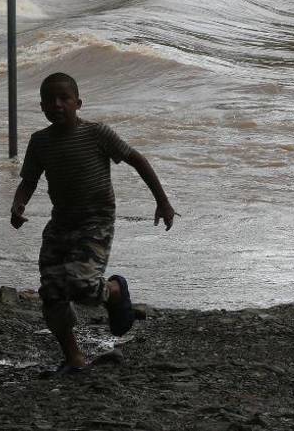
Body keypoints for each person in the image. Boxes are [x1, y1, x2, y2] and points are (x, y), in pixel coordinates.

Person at [10, 72, 176, 374]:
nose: (57, 104)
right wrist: (18, 203)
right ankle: (74, 358)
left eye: (64, 98)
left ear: (78, 103)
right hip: (60, 223)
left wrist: (162, 201)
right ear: (42, 106)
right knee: (51, 291)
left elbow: (137, 160)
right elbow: (29, 180)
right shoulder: (40, 142)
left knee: (81, 284)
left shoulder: (97, 134)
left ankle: (114, 289)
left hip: (95, 221)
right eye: (50, 100)